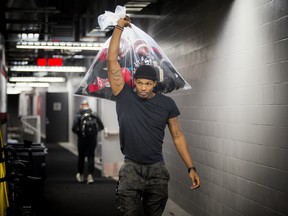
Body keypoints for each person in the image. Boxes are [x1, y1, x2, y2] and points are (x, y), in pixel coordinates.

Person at [107, 17, 200, 216]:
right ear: (134, 82)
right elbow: (111, 59)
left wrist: (190, 167)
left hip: (157, 169)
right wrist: (119, 28)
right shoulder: (124, 96)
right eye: (139, 83)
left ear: (154, 84)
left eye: (147, 84)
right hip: (131, 168)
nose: (143, 88)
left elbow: (178, 136)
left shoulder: (167, 104)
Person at [72, 100, 104, 184]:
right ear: (88, 105)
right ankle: (90, 176)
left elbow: (73, 128)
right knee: (91, 156)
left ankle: (81, 174)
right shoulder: (94, 114)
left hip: (82, 139)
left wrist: (79, 133)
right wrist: (95, 132)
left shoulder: (78, 115)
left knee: (81, 157)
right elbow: (102, 126)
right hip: (92, 139)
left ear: (81, 106)